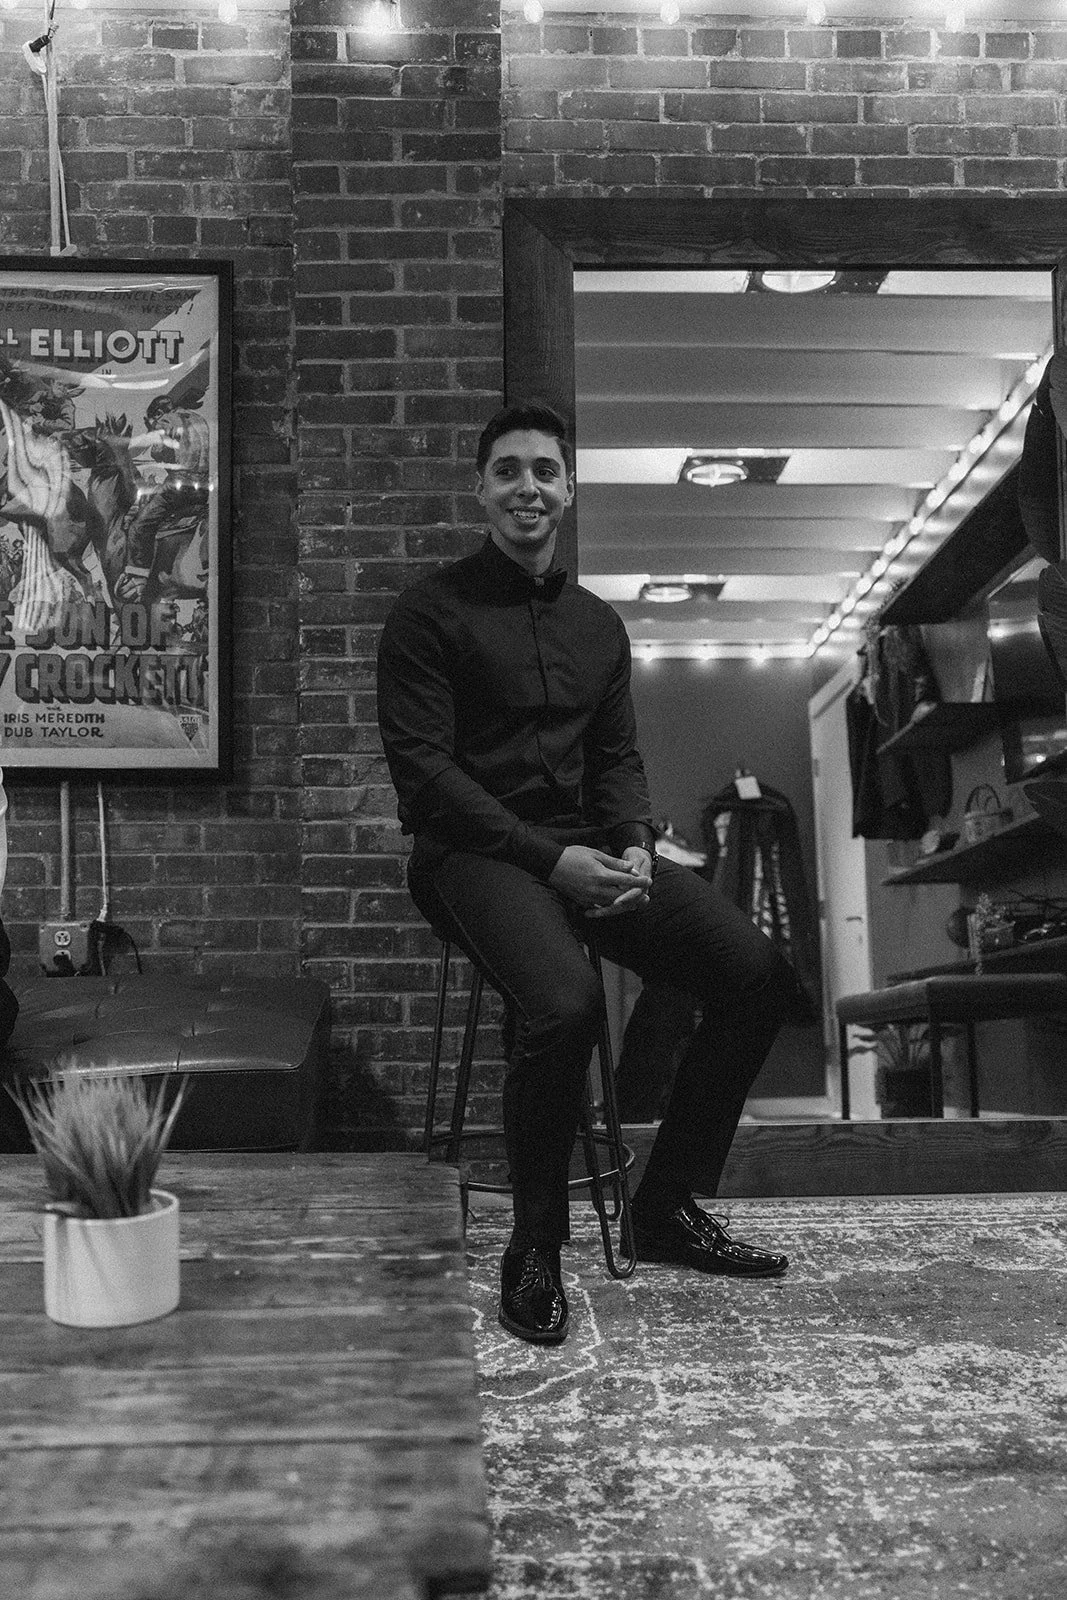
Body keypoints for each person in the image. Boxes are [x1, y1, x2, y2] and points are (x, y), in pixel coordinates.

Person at [377, 400, 796, 1346]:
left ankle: (668, 1204)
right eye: (508, 470)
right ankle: (533, 1245)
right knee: (565, 1005)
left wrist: (634, 842)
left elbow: (615, 756)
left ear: (569, 489)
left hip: (587, 850)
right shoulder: (427, 613)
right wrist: (550, 861)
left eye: (545, 471)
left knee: (756, 977)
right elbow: (427, 776)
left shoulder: (599, 626)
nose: (528, 486)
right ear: (480, 489)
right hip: (473, 857)